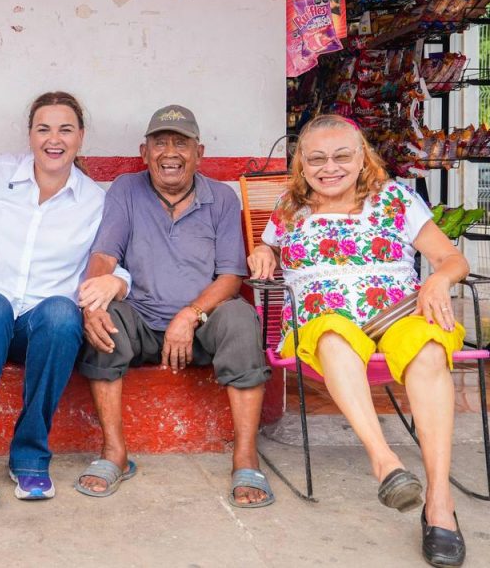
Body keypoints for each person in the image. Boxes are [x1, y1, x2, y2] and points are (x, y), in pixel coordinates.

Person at [248, 114, 468, 567]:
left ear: (362, 157)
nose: (329, 167)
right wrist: (263, 250)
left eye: (341, 156)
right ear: (301, 164)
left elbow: (452, 259)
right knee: (332, 335)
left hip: (399, 314)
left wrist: (438, 280)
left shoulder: (395, 199)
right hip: (321, 322)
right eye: (316, 159)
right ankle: (385, 463)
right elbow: (270, 247)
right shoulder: (289, 207)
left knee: (428, 350)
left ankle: (439, 503)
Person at [0, 91, 132, 507]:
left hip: (36, 328)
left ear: (81, 136)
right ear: (30, 135)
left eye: (65, 129)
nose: (53, 139)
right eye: (44, 129)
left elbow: (119, 263)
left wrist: (115, 284)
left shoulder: (96, 203)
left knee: (63, 313)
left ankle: (29, 457)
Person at [77, 104, 274, 507]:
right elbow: (105, 255)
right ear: (144, 152)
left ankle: (245, 458)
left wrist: (190, 314)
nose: (170, 153)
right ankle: (114, 452)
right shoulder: (126, 189)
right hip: (141, 322)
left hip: (202, 327)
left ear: (199, 153)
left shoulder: (221, 198)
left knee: (240, 317)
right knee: (103, 318)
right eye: (160, 143)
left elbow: (231, 277)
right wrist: (93, 299)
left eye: (181, 144)